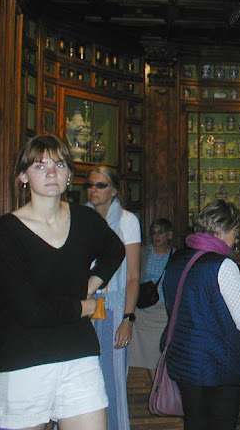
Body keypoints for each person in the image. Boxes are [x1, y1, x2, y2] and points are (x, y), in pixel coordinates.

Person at [0, 134, 125, 430]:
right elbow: (30, 312)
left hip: (79, 355)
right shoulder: (5, 231)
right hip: (24, 362)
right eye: (39, 166)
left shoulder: (85, 220)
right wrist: (82, 307)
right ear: (23, 176)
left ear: (69, 176)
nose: (51, 173)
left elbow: (116, 250)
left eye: (59, 165)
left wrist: (90, 284)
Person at [163, 200, 240, 429]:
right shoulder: (222, 265)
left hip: (184, 360)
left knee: (195, 423)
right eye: (235, 233)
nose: (236, 240)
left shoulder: (176, 260)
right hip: (216, 365)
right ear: (220, 230)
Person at [86, 166, 141, 430]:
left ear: (114, 190)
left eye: (100, 185)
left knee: (113, 380)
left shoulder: (127, 221)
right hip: (84, 305)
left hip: (114, 305)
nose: (93, 190)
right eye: (91, 185)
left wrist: (128, 319)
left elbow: (132, 276)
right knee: (84, 378)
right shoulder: (81, 218)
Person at [129, 218, 176, 381]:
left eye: (160, 233)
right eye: (154, 233)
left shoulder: (176, 255)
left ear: (169, 235)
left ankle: (164, 389)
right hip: (144, 309)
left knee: (163, 352)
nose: (156, 236)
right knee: (148, 352)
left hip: (165, 310)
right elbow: (133, 276)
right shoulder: (144, 252)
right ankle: (156, 387)